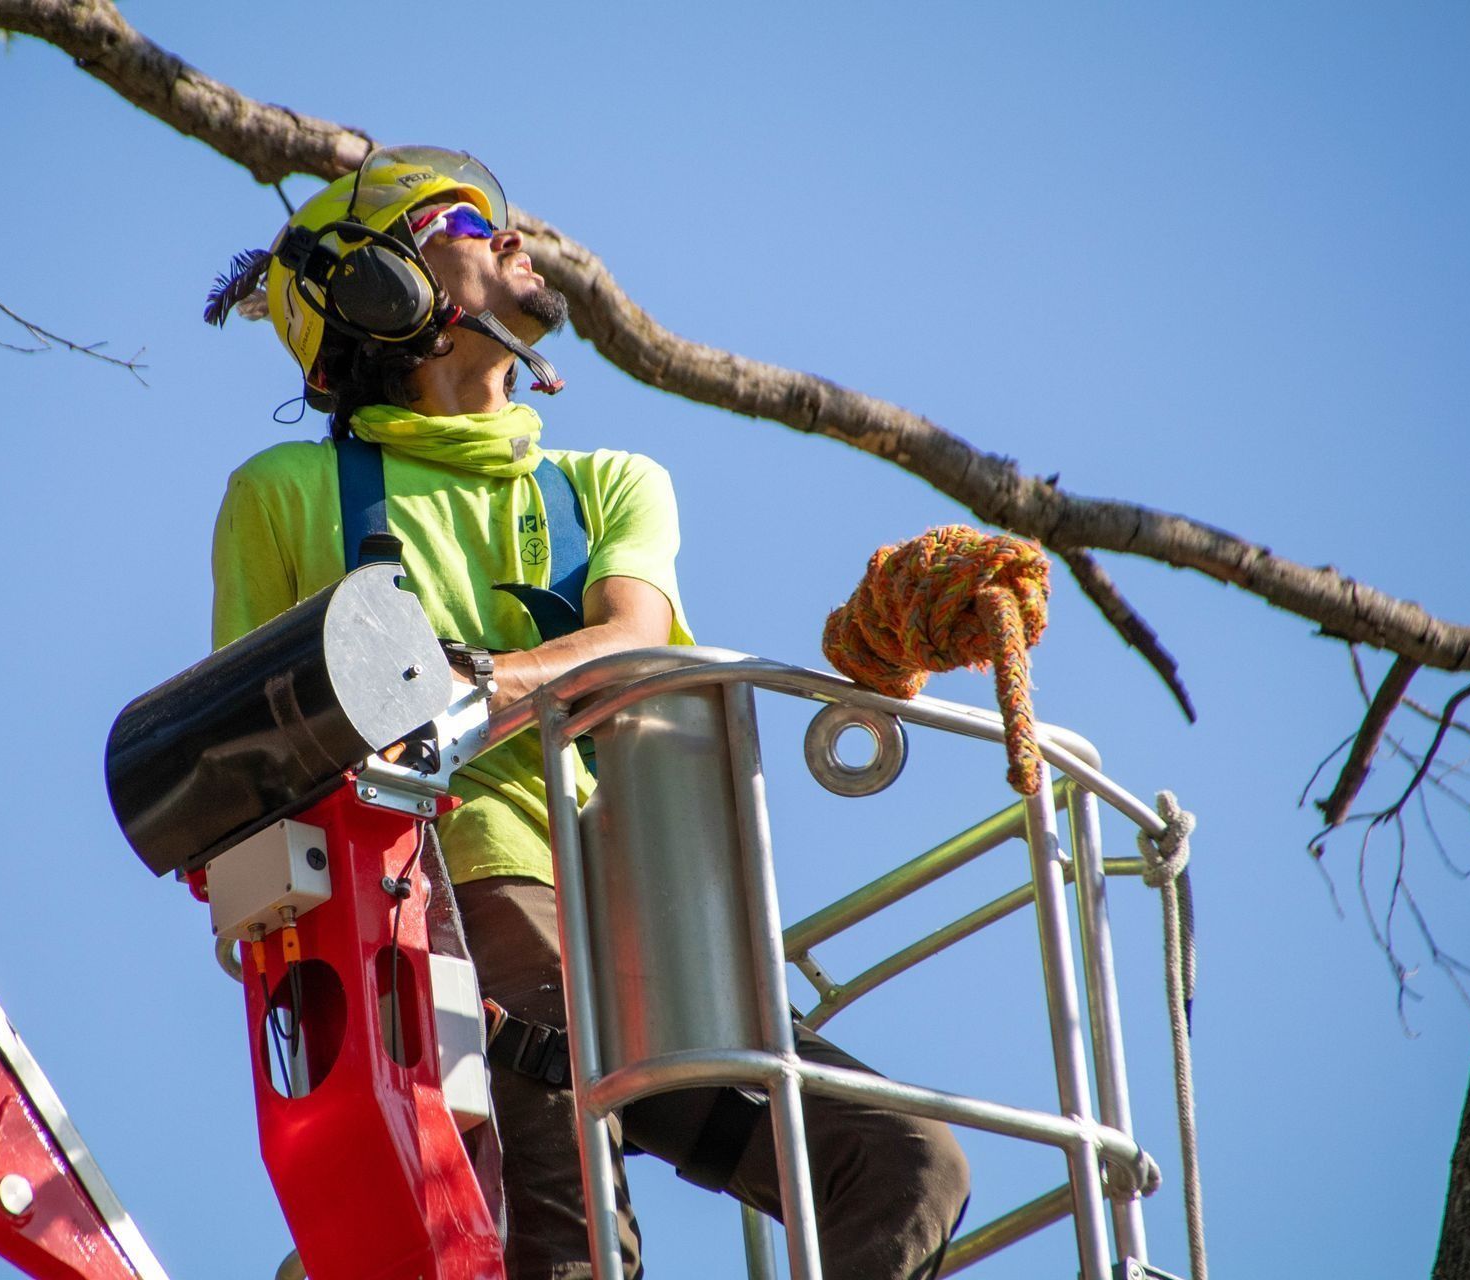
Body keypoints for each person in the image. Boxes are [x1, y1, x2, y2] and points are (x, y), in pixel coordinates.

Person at [204, 146, 969, 1280]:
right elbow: (243, 769)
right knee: (568, 1253)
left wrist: (479, 689)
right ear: (382, 288)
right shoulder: (285, 495)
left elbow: (630, 638)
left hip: (646, 935)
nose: (513, 232)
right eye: (465, 217)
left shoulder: (610, 485)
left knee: (906, 1162)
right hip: (449, 910)